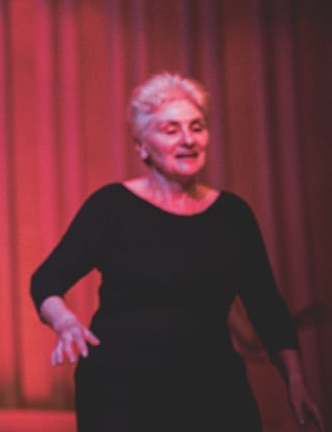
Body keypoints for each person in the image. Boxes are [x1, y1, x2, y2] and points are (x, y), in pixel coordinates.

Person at [29, 72, 326, 432]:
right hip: (123, 393)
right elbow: (46, 281)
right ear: (142, 147)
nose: (188, 139)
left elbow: (267, 307)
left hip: (213, 390)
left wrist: (295, 380)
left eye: (196, 127)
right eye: (171, 130)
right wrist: (65, 323)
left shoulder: (232, 214)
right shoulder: (111, 207)